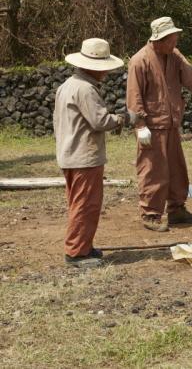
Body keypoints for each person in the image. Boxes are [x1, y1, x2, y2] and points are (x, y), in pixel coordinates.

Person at [126, 17, 192, 232]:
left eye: (175, 38)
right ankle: (151, 214)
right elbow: (134, 95)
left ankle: (177, 209)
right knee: (152, 170)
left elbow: (191, 77)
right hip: (151, 126)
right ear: (158, 39)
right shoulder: (139, 60)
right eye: (171, 39)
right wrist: (140, 125)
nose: (175, 42)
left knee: (177, 169)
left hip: (171, 122)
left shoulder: (175, 56)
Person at [54, 38, 129, 268]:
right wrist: (122, 119)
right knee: (86, 204)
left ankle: (83, 246)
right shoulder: (86, 89)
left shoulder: (67, 85)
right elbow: (100, 121)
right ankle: (76, 253)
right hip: (84, 156)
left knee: (79, 203)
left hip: (70, 153)